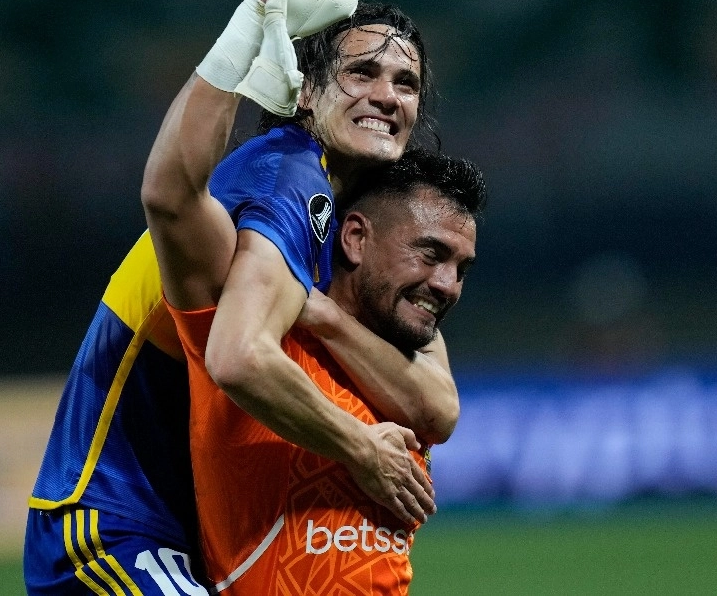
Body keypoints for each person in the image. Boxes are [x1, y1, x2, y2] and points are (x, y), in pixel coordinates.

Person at [25, 0, 455, 595]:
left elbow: (437, 401)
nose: (387, 94)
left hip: (193, 537)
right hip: (110, 515)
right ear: (306, 95)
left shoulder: (353, 217)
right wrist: (255, 17)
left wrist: (329, 320)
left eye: (406, 82)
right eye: (362, 73)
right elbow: (231, 341)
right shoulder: (286, 175)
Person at [152, 141, 485, 592]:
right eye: (430, 254)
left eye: (462, 268)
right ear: (354, 238)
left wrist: (325, 316)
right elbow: (169, 199)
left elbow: (441, 414)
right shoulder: (255, 323)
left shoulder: (405, 344)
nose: (448, 285)